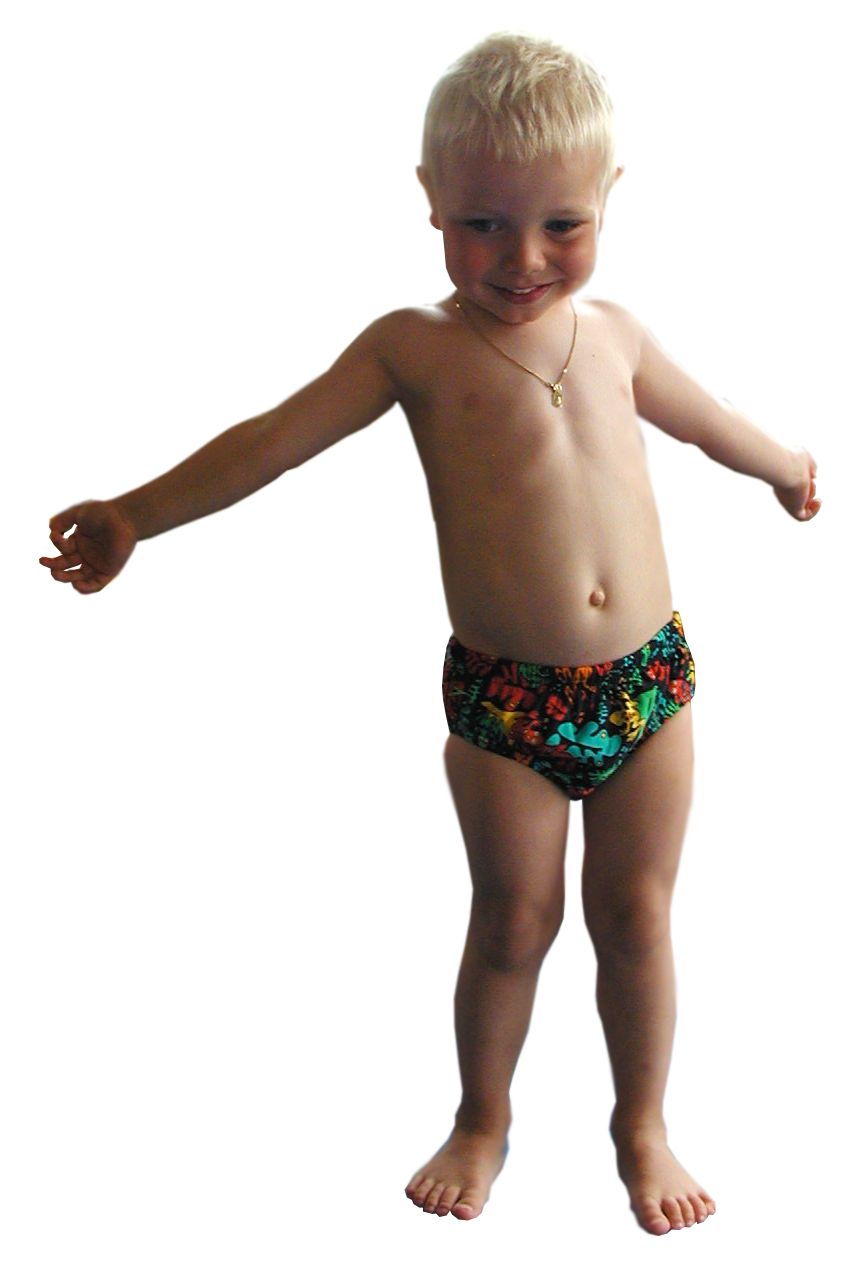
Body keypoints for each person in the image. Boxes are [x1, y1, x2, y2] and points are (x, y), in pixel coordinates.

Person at [39, 31, 821, 1235]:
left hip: (649, 686)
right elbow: (272, 441)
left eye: (561, 224)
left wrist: (786, 467)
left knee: (637, 917)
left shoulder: (616, 336)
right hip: (508, 705)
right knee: (513, 922)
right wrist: (138, 512)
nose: (523, 259)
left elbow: (708, 420)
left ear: (609, 198)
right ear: (431, 201)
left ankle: (643, 1126)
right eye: (482, 224)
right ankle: (482, 1119)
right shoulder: (414, 347)